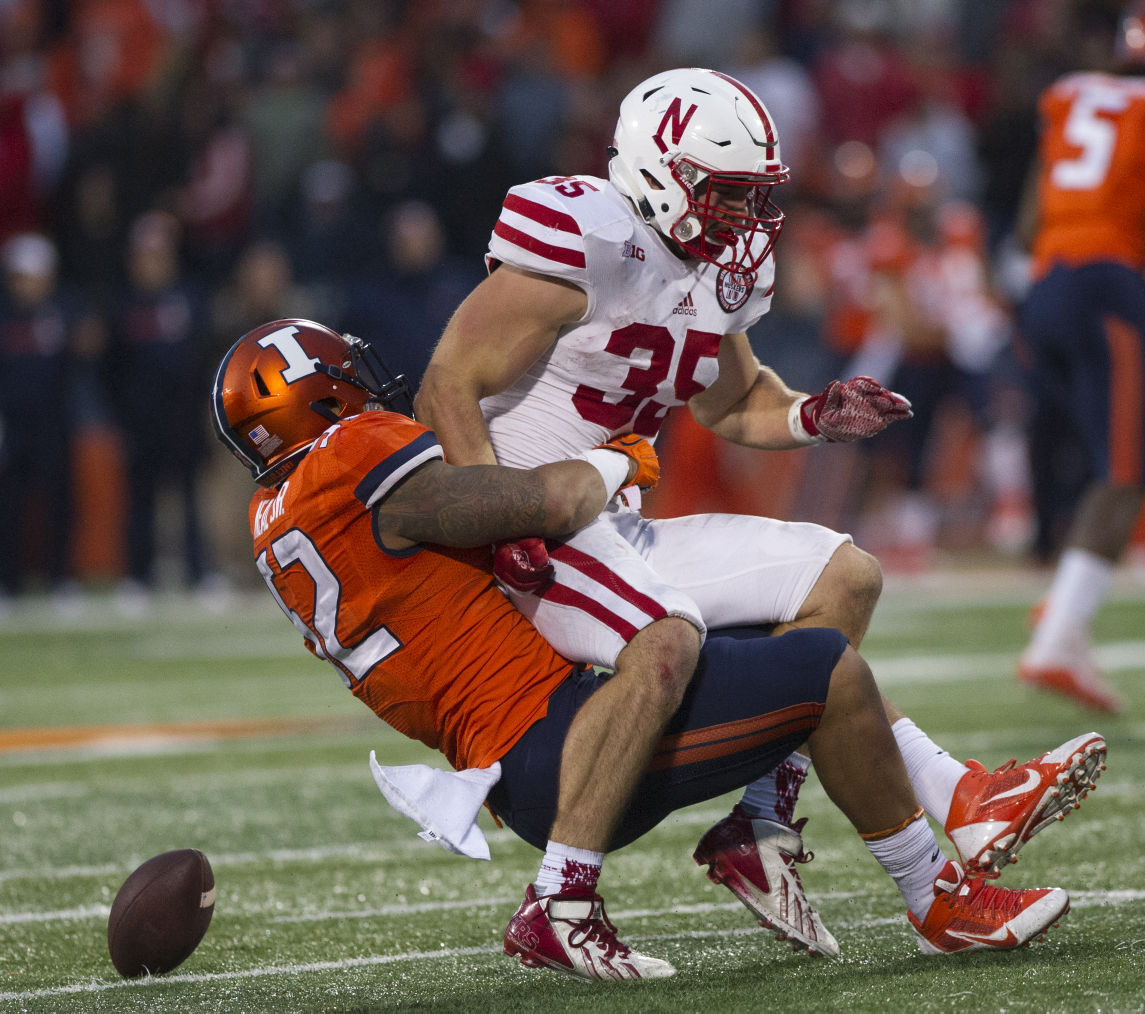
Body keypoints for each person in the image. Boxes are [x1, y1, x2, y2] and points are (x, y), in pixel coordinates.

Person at [211, 318, 1104, 980]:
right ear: (317, 393)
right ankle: (928, 895)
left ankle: (826, 819)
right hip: (559, 746)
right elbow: (545, 502)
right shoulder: (351, 454)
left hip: (526, 757)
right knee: (783, 663)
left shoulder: (273, 519)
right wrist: (617, 458)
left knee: (772, 629)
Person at [413, 67, 1050, 950]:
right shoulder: (584, 234)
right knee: (683, 634)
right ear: (654, 172)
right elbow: (448, 381)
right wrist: (493, 513)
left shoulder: (716, 272)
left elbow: (731, 400)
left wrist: (813, 415)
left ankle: (759, 822)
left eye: (754, 199)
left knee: (844, 577)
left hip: (617, 526)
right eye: (723, 195)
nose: (742, 221)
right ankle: (942, 835)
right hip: (535, 532)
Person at [1013, 4, 1145, 713]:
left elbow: (1031, 217)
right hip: (1105, 282)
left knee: (1106, 458)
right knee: (1123, 471)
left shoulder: (1067, 94)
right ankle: (1058, 638)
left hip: (1044, 282)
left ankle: (1064, 600)